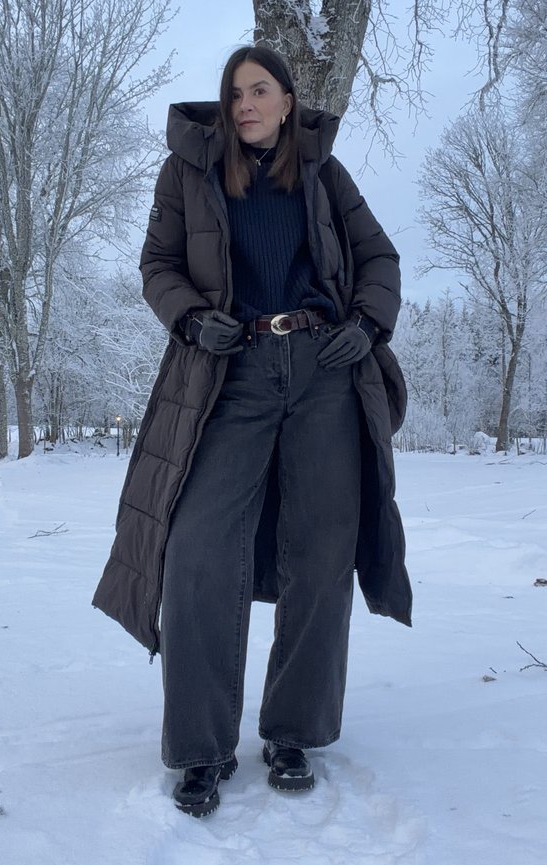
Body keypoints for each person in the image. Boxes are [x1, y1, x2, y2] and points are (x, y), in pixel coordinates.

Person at [92, 44, 412, 818]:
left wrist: (365, 327)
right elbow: (157, 264)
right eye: (234, 91)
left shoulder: (324, 175)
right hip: (229, 373)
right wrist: (193, 318)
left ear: (288, 99)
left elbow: (380, 258)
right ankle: (200, 748)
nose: (244, 104)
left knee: (322, 550)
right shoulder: (188, 173)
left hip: (322, 374)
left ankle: (293, 732)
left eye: (259, 90)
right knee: (198, 549)